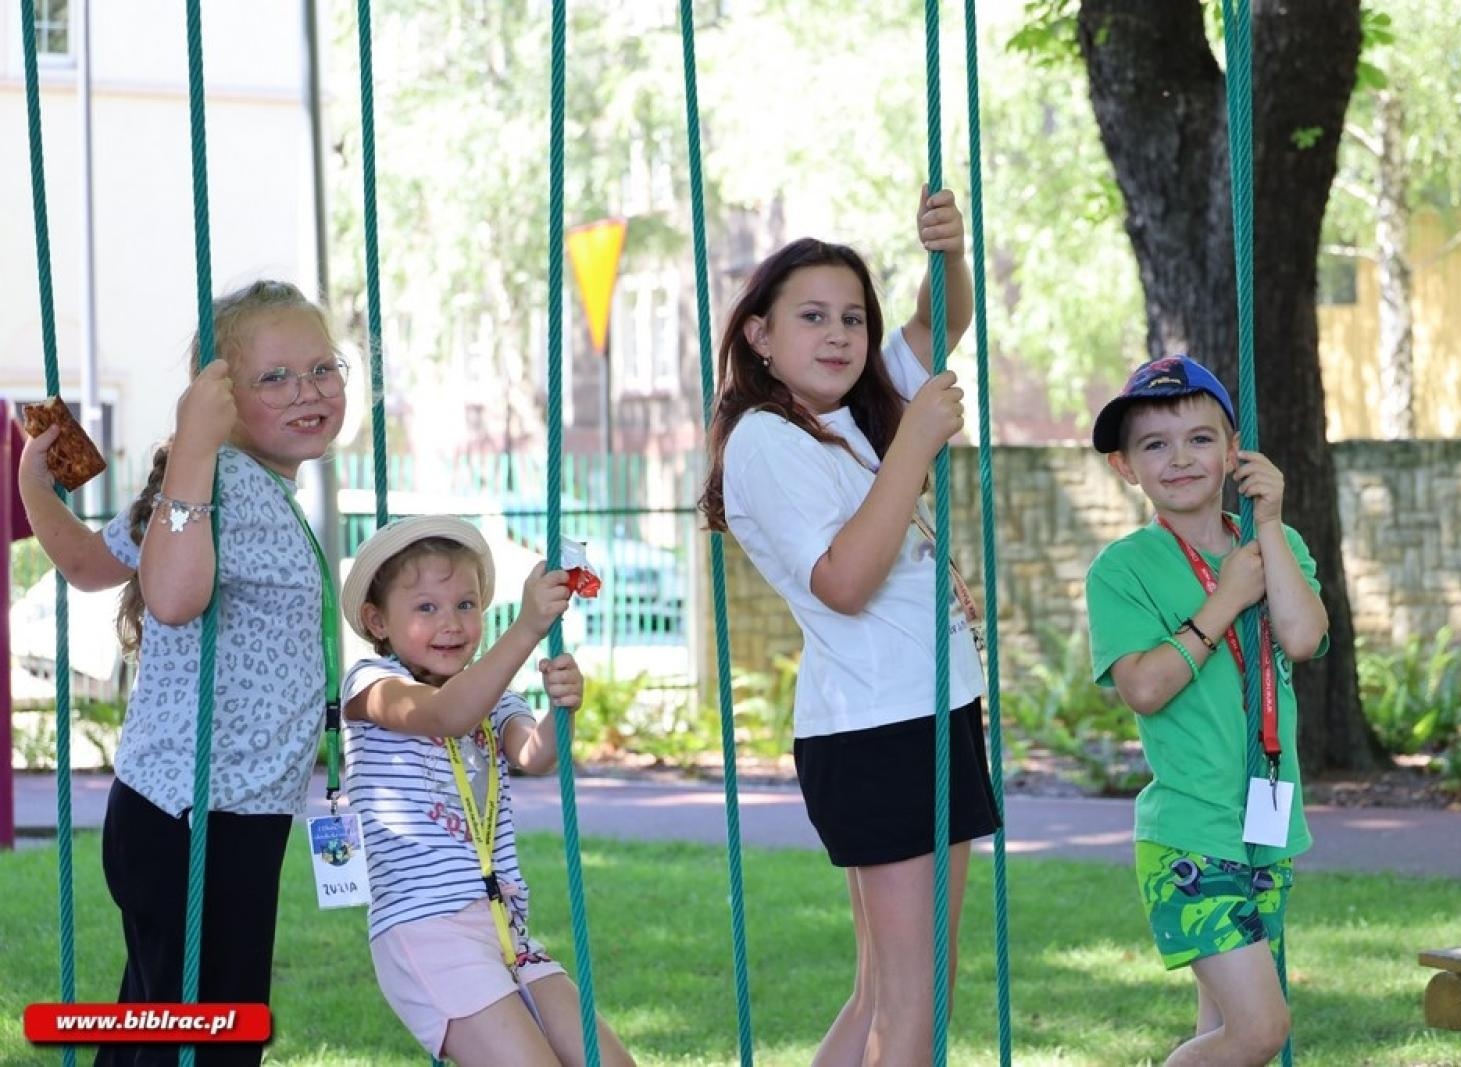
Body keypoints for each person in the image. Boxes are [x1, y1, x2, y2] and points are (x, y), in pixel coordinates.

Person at [700, 187, 999, 1065]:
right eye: (812, 317)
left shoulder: (856, 414)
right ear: (759, 334)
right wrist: (915, 445)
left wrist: (949, 253)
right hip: (878, 728)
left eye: (853, 319)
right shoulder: (766, 439)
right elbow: (843, 581)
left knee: (891, 989)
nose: (840, 335)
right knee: (914, 997)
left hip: (927, 711)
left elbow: (940, 319)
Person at [18, 280, 349, 1066]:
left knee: (158, 1022)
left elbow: (87, 564)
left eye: (322, 367)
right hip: (201, 818)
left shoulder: (233, 487)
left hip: (187, 813)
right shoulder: (214, 481)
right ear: (218, 399)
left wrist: (35, 483)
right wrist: (194, 446)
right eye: (274, 377)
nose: (308, 391)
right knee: (212, 1036)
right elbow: (170, 597)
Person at [1085, 355, 1330, 1067]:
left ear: (1233, 452)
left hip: (1266, 824)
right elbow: (1143, 686)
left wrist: (1273, 523)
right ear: (1125, 467)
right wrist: (1223, 599)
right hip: (1190, 834)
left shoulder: (1273, 545)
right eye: (1154, 444)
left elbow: (1304, 636)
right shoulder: (1124, 569)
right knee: (1259, 1030)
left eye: (1199, 438)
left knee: (1225, 1031)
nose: (1180, 457)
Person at [340, 515, 634, 1067]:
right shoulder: (370, 684)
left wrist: (560, 711)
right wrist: (526, 629)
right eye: (426, 607)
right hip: (426, 929)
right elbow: (447, 714)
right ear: (377, 620)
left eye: (466, 605)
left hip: (504, 926)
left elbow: (533, 755)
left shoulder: (492, 695)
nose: (451, 623)